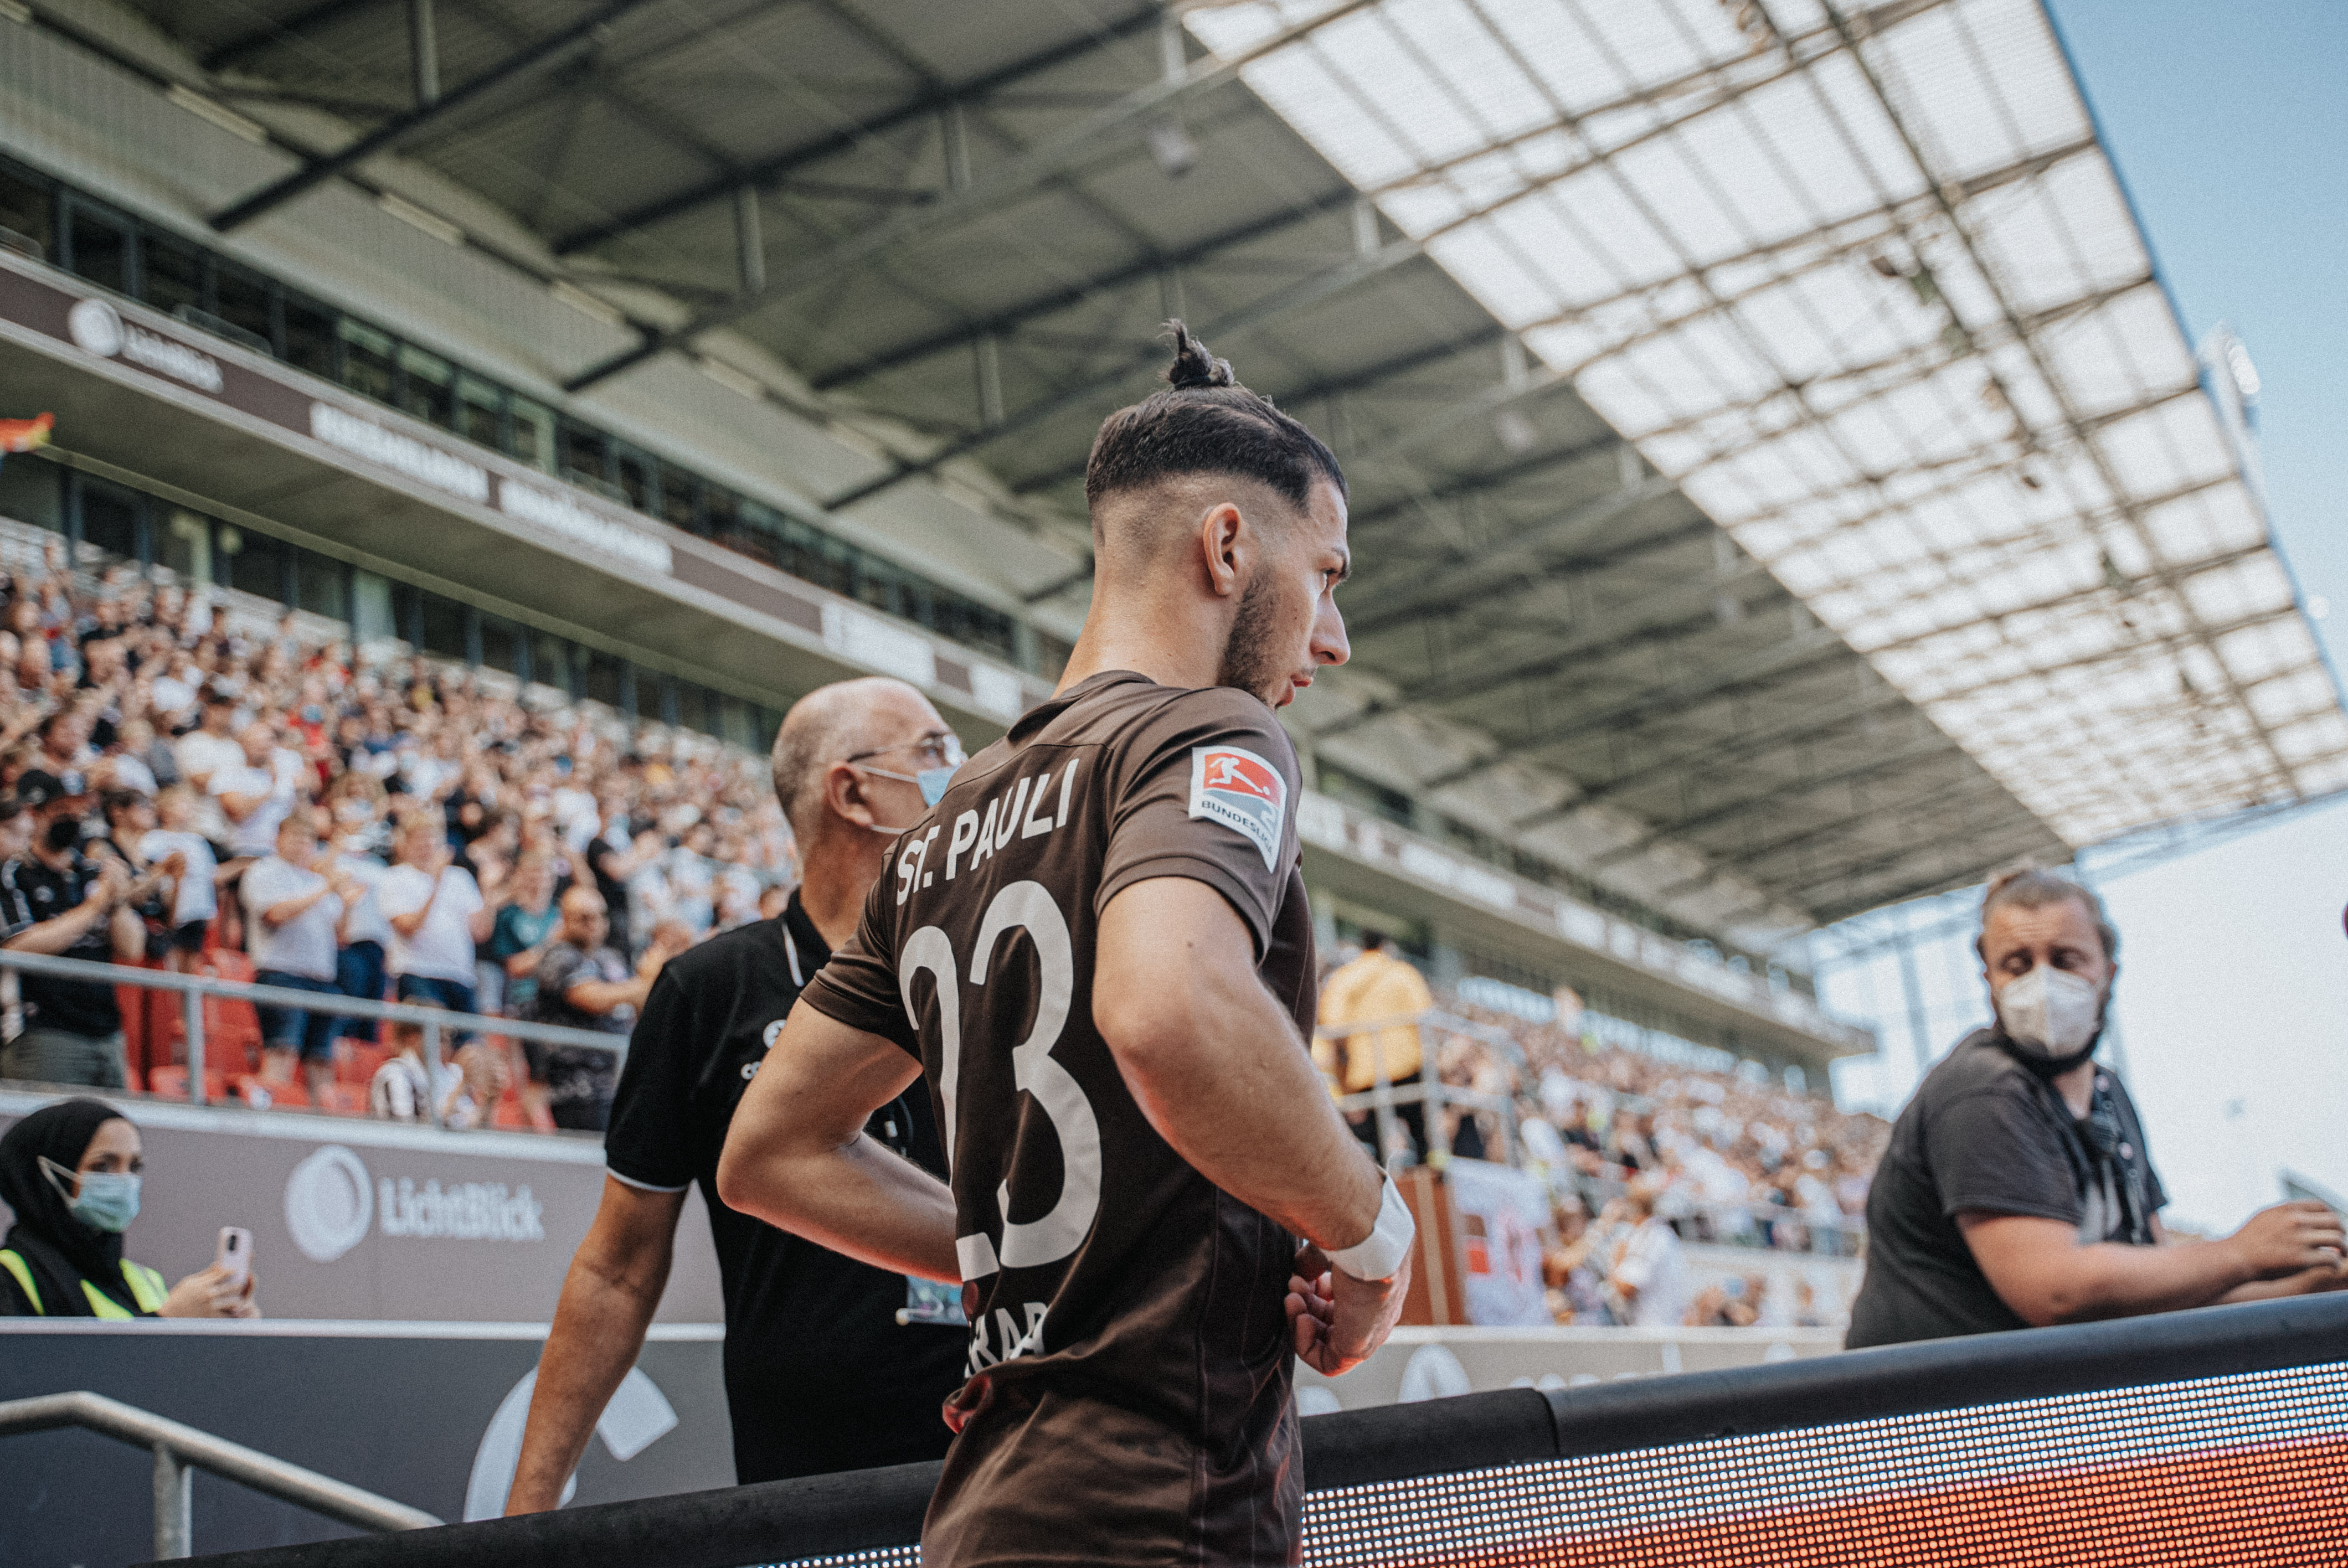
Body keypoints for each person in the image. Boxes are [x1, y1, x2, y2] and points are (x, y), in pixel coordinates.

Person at [717, 323, 1410, 1566]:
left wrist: (1011, 1253)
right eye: (1329, 576)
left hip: (984, 1509)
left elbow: (768, 1152)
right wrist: (1369, 1229)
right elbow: (1170, 1007)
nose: (1331, 638)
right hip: (1155, 1510)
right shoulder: (1208, 737)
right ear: (1228, 546)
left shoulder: (950, 821)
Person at [508, 678, 970, 1510]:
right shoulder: (707, 990)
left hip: (1012, 1464)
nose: (964, 772)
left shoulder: (1001, 963)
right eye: (936, 751)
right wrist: (528, 1506)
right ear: (852, 792)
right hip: (806, 1493)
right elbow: (618, 1266)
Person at [1846, 867, 2347, 1348]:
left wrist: (2308, 1288)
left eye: (2065, 959)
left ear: (2107, 973)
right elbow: (2054, 1292)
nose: (2042, 983)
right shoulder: (1983, 1091)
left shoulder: (2108, 1092)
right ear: (1989, 978)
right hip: (1935, 1417)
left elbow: (2160, 1292)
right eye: (2017, 964)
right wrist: (2239, 1253)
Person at [1, 1097, 257, 1317]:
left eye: (134, 1167)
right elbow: (40, 1371)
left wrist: (230, 1337)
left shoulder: (144, 1280)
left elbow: (171, 1372)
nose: (125, 1181)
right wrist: (166, 1322)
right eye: (104, 1166)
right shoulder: (10, 1275)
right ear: (43, 1177)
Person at [0, 772, 148, 1087]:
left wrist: (117, 901)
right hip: (44, 1029)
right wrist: (95, 907)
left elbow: (132, 947)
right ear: (35, 817)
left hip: (107, 1029)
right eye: (58, 811)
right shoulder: (14, 874)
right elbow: (18, 947)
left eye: (75, 811)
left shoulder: (94, 873)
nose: (69, 819)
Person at [523, 888, 686, 1132]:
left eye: (600, 915)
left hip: (618, 1083)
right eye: (584, 917)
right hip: (577, 1089)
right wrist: (648, 979)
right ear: (565, 920)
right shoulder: (557, 955)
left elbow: (640, 1006)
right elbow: (593, 999)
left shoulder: (611, 958)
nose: (595, 924)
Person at [241, 809, 359, 1101]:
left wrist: (347, 902)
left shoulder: (314, 880)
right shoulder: (265, 871)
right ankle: (270, 1119)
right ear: (279, 839)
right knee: (281, 1051)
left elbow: (341, 935)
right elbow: (275, 914)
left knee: (321, 1059)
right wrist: (324, 889)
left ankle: (324, 1122)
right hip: (282, 974)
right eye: (295, 837)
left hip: (320, 978)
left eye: (308, 839)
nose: (302, 844)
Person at [1316, 931, 1434, 1165]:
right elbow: (1424, 1014)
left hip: (1364, 1068)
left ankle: (1382, 1176)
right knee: (1417, 1123)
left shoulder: (1345, 977)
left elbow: (1332, 1020)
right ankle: (1428, 1170)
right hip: (1405, 1061)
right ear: (1385, 945)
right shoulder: (1402, 972)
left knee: (1375, 1130)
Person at [377, 816, 490, 1017]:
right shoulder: (394, 877)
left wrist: (488, 889)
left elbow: (480, 933)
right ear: (407, 844)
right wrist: (437, 883)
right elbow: (408, 928)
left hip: (461, 975)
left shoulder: (461, 877)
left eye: (432, 839)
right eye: (420, 840)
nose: (427, 846)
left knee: (470, 1046)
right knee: (427, 1039)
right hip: (417, 972)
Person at [1607, 1184, 1692, 1328]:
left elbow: (1626, 1288)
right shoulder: (1660, 1234)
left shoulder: (1652, 1236)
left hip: (1653, 1332)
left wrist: (1617, 1256)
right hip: (1660, 1329)